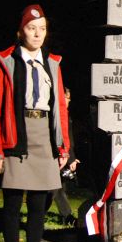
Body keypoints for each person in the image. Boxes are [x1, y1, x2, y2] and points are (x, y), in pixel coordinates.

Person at [0, 4, 70, 242]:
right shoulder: (5, 61)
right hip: (16, 136)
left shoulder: (53, 63)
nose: (37, 34)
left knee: (38, 204)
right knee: (12, 203)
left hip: (43, 135)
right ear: (20, 31)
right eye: (32, 28)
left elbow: (60, 108)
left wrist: (63, 145)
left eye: (42, 29)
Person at [45, 87, 79, 226]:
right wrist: (69, 157)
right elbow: (62, 137)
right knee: (54, 187)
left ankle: (66, 216)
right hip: (56, 154)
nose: (69, 101)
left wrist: (72, 156)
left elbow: (69, 138)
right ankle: (39, 214)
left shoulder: (64, 114)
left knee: (59, 187)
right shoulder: (57, 114)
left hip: (63, 154)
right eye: (67, 98)